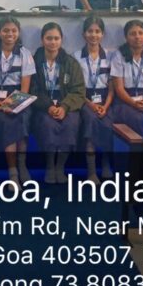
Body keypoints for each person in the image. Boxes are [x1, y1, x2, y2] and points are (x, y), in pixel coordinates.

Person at [32, 22, 84, 184]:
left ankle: (60, 166)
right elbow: (32, 90)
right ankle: (50, 166)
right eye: (49, 38)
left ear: (61, 40)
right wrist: (48, 106)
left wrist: (64, 107)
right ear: (42, 40)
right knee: (47, 124)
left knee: (70, 124)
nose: (52, 42)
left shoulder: (71, 63)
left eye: (56, 38)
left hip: (66, 107)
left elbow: (78, 90)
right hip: (43, 107)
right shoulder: (33, 62)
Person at [0, 16, 36, 184]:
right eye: (6, 30)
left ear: (19, 33)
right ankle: (13, 171)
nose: (10, 34)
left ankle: (22, 165)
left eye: (14, 30)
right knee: (7, 122)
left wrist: (13, 104)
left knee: (21, 119)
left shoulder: (25, 54)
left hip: (19, 97)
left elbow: (25, 88)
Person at [74, 15, 114, 181]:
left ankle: (105, 163)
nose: (93, 35)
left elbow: (112, 87)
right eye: (90, 31)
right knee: (90, 120)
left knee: (108, 122)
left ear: (102, 34)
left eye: (97, 31)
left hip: (105, 100)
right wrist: (90, 104)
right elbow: (76, 87)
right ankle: (91, 171)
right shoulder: (76, 56)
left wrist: (105, 106)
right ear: (84, 34)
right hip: (84, 99)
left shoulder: (110, 56)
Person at [109, 20, 143, 133]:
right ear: (126, 37)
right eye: (132, 34)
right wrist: (134, 104)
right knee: (142, 120)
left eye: (141, 33)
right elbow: (119, 89)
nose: (137, 37)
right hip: (125, 101)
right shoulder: (118, 55)